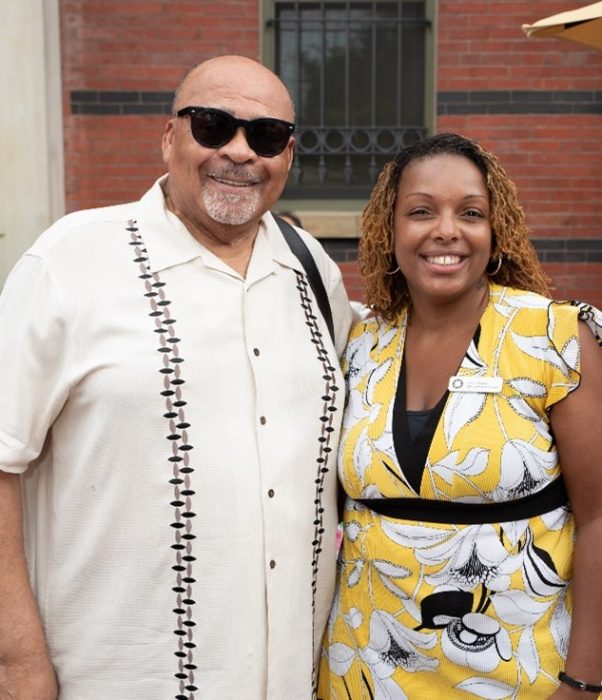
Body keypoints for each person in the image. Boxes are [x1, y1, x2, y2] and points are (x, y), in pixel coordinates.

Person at [0, 55, 353, 700]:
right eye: (214, 125)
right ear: (169, 138)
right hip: (109, 677)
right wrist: (17, 660)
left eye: (267, 135)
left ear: (289, 154)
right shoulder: (70, 260)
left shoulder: (314, 275)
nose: (241, 152)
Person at [318, 133, 602, 699]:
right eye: (421, 212)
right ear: (390, 232)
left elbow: (600, 518)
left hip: (517, 672)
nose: (446, 230)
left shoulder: (553, 337)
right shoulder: (361, 344)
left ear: (494, 234)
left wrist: (586, 680)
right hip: (364, 671)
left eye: (470, 213)